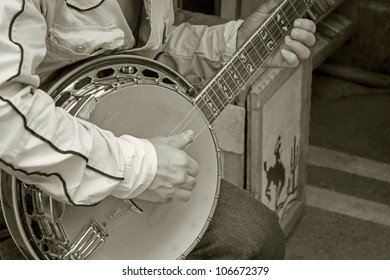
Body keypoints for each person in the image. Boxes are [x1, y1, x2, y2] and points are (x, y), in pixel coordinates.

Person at [0, 0, 319, 260]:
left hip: (128, 155)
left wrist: (233, 44)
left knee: (255, 237)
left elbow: (140, 58)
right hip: (20, 193)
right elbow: (6, 114)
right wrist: (137, 167)